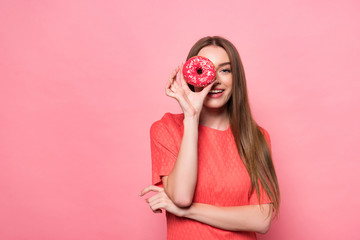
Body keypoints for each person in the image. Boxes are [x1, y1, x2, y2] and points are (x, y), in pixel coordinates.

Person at [139, 36, 280, 239]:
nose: (215, 80)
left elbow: (262, 220)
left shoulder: (255, 137)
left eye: (225, 70)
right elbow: (181, 196)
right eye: (206, 70)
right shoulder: (166, 129)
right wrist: (191, 118)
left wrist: (187, 212)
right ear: (191, 75)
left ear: (236, 77)